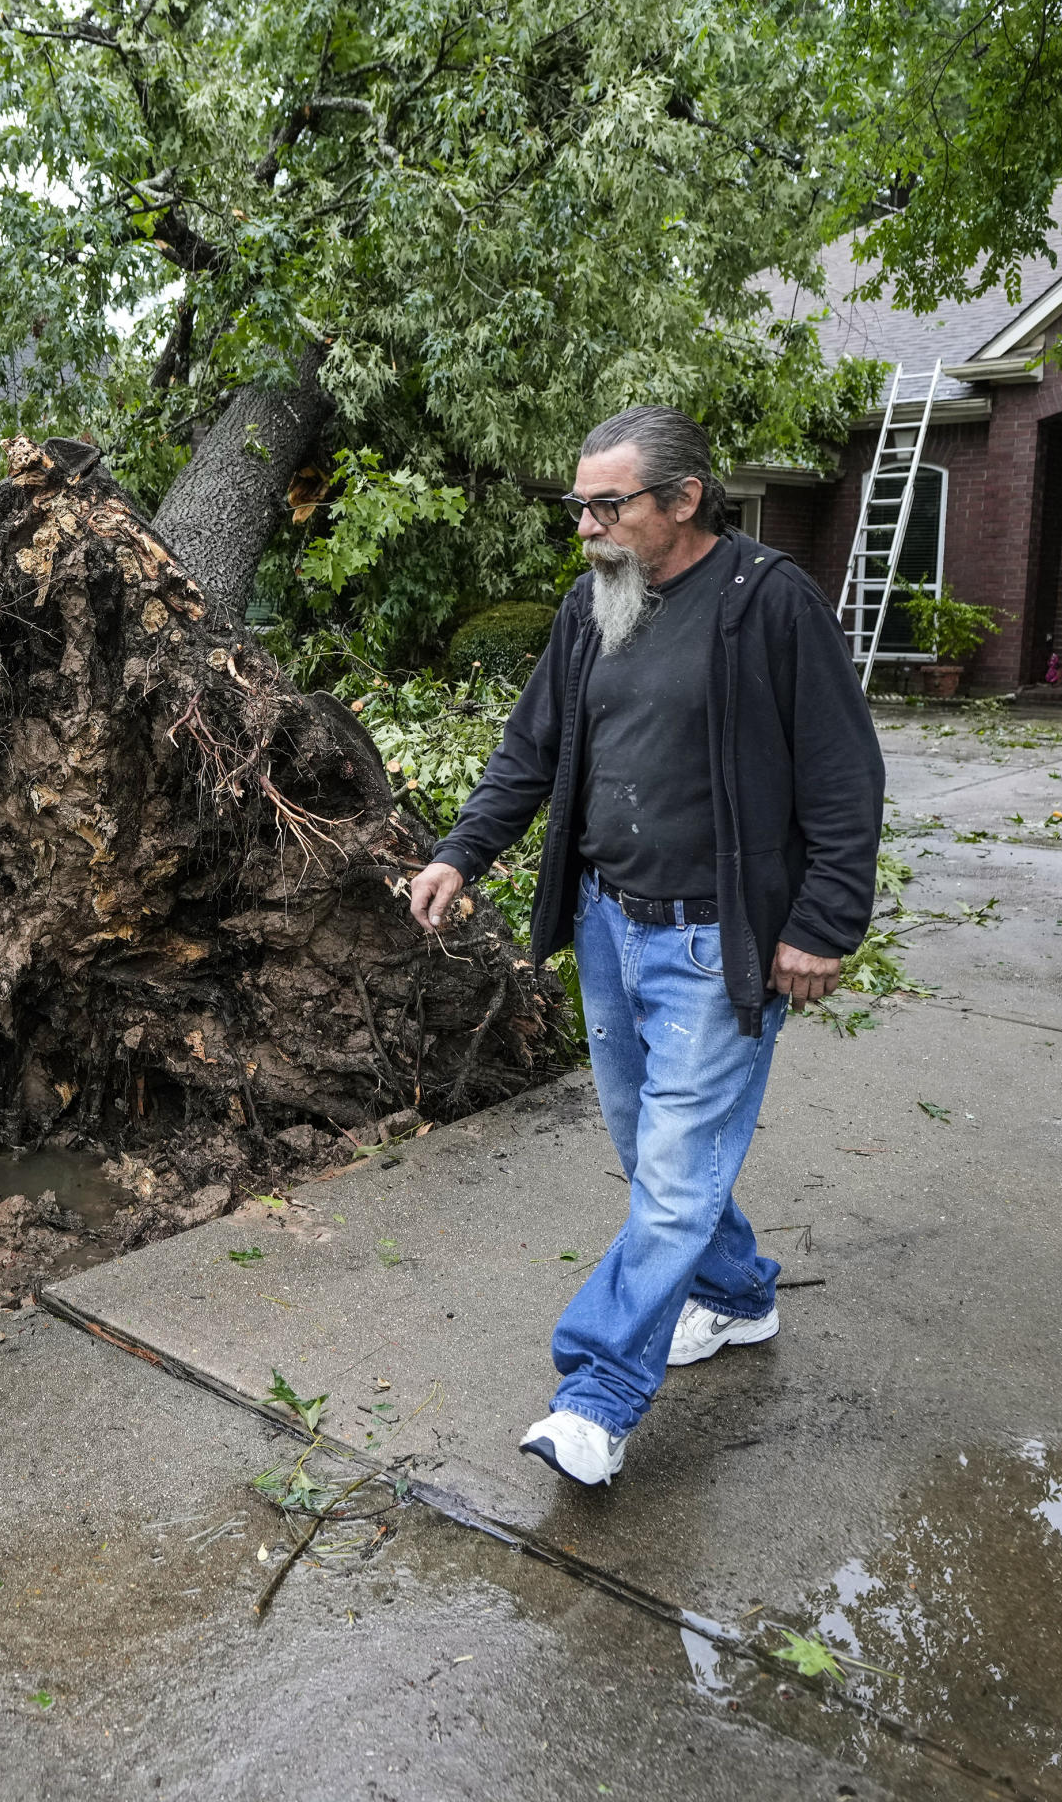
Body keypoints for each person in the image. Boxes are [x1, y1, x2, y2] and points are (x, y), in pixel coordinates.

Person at [406, 406, 884, 1489]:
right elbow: (531, 749)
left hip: (720, 942)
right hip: (611, 924)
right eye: (579, 504)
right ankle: (736, 1293)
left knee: (670, 1176)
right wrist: (461, 854)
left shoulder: (770, 605)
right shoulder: (595, 607)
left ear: (683, 499)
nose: (585, 526)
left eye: (607, 504)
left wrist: (820, 927)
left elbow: (845, 780)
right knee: (652, 1147)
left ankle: (596, 1397)